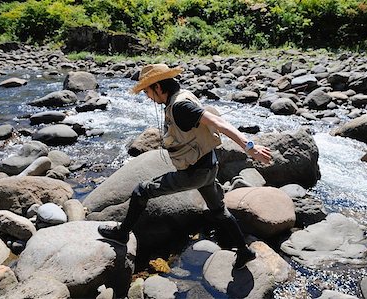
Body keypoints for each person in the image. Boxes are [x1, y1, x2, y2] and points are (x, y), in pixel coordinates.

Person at [98, 64, 272, 269]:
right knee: (218, 211)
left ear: (159, 87)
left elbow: (217, 121)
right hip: (209, 166)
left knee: (140, 191)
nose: (147, 96)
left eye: (147, 91)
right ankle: (244, 251)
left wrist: (249, 146)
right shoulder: (182, 96)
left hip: (195, 173)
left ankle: (122, 234)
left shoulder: (180, 107)